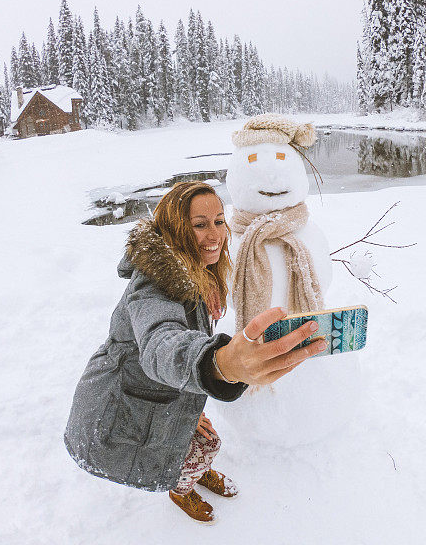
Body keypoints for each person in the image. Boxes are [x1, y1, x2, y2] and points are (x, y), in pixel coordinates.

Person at [64, 181, 326, 524]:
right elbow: (161, 342)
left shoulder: (194, 270)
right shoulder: (153, 284)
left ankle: (193, 472)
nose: (215, 233)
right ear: (176, 229)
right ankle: (182, 489)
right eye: (200, 225)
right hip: (124, 407)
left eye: (219, 220)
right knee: (201, 449)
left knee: (203, 443)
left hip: (164, 391)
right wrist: (217, 364)